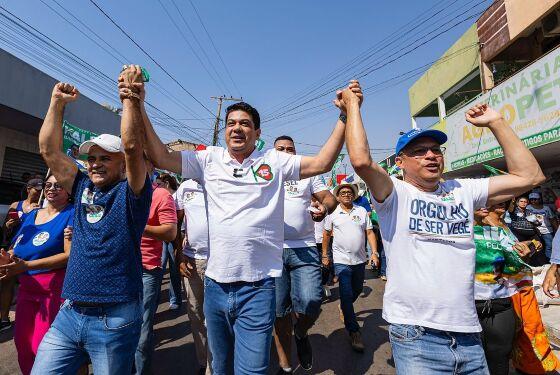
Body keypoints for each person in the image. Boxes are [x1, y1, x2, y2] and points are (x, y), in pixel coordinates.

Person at [134, 77, 361, 373]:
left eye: (244, 123)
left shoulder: (275, 161)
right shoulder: (208, 160)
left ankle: (296, 336)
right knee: (220, 368)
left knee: (251, 371)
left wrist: (345, 114)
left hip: (257, 289)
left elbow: (323, 163)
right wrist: (138, 105)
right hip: (215, 286)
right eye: (230, 123)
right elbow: (161, 156)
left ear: (257, 132)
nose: (236, 128)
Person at [344, 84, 545, 374]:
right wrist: (353, 106)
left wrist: (496, 123)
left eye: (436, 150)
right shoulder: (394, 193)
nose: (430, 155)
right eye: (419, 151)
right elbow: (361, 161)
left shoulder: (463, 189)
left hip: (468, 334)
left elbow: (530, 175)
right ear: (400, 163)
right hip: (416, 335)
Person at [31, 65, 152, 374]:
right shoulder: (82, 184)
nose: (95, 164)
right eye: (92, 158)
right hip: (69, 313)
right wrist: (56, 103)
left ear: (122, 165)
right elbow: (48, 149)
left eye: (105, 158)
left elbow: (133, 146)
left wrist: (129, 99)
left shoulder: (132, 192)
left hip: (115, 317)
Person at [273, 135, 337, 373]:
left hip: (305, 247)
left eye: (290, 149)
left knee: (312, 300)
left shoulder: (308, 173)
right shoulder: (264, 173)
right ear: (273, 152)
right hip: (272, 250)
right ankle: (285, 365)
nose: (286, 152)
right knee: (279, 311)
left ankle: (300, 332)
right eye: (280, 149)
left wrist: (325, 208)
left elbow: (329, 198)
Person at [0, 174, 73, 375]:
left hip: (53, 291)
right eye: (47, 185)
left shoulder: (72, 214)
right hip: (26, 289)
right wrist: (7, 257)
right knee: (22, 346)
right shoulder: (33, 215)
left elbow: (68, 256)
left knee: (41, 348)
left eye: (58, 185)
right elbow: (18, 246)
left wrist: (25, 265)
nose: (51, 188)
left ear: (69, 190)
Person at [473, 203, 536, 375]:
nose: (484, 204)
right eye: (477, 199)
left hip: (499, 302)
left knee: (500, 355)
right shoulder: (451, 234)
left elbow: (511, 266)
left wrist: (523, 254)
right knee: (470, 358)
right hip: (464, 306)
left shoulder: (498, 232)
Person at [322, 183, 378, 352]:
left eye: (349, 192)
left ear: (353, 195)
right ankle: (354, 331)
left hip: (360, 260)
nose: (346, 194)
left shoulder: (361, 211)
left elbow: (369, 232)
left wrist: (374, 252)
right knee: (346, 293)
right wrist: (325, 255)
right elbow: (326, 234)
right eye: (343, 192)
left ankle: (344, 307)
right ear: (338, 196)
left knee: (356, 289)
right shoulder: (332, 213)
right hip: (341, 260)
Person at [135, 160, 177, 374]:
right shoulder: (114, 190)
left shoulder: (161, 195)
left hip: (146, 270)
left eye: (140, 161)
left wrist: (138, 224)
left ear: (151, 167)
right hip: (115, 270)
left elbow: (170, 232)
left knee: (141, 334)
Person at [175, 178, 211, 374]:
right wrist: (179, 256)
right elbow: (176, 223)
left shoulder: (221, 180)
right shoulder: (185, 187)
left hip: (220, 261)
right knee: (196, 314)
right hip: (192, 262)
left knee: (218, 317)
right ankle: (203, 362)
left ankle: (217, 365)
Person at [0, 178, 43, 331]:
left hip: (33, 251)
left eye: (41, 189)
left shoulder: (43, 207)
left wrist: (40, 212)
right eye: (37, 188)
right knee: (7, 282)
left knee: (30, 284)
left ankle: (31, 320)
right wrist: (8, 225)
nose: (39, 191)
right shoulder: (15, 205)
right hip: (14, 248)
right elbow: (5, 230)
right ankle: (4, 319)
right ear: (28, 188)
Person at [157, 173, 183, 310]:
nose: (157, 187)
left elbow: (181, 219)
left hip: (174, 238)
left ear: (166, 184)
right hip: (161, 238)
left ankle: (175, 299)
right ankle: (156, 299)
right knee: (160, 267)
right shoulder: (160, 197)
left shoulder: (177, 196)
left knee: (174, 269)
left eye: (160, 184)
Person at [527, 192, 558, 260]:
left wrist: (557, 229)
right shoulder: (527, 207)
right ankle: (537, 261)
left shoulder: (546, 208)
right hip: (534, 230)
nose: (533, 201)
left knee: (549, 245)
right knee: (536, 246)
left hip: (547, 230)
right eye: (531, 199)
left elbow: (552, 219)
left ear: (539, 199)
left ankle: (549, 260)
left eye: (535, 199)